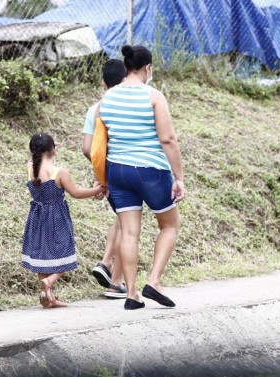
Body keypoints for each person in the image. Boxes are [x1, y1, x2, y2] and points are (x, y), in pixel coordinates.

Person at [99, 45, 186, 310]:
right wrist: (179, 176)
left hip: (117, 171)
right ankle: (155, 281)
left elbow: (103, 139)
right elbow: (168, 139)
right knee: (169, 225)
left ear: (125, 68)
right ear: (148, 68)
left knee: (129, 233)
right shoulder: (153, 96)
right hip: (150, 170)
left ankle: (132, 293)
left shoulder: (108, 97)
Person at [22, 132, 103, 308]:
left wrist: (50, 149)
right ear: (53, 150)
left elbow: (36, 159)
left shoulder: (30, 169)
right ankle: (49, 281)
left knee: (42, 258)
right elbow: (77, 193)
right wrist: (98, 189)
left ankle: (48, 298)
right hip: (56, 218)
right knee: (65, 255)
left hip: (36, 219)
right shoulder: (59, 172)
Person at [82, 59, 128, 299]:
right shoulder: (124, 106)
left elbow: (88, 147)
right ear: (125, 80)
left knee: (121, 220)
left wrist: (99, 176)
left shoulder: (95, 109)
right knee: (128, 225)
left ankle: (106, 262)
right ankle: (116, 282)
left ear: (102, 82)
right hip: (125, 170)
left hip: (105, 172)